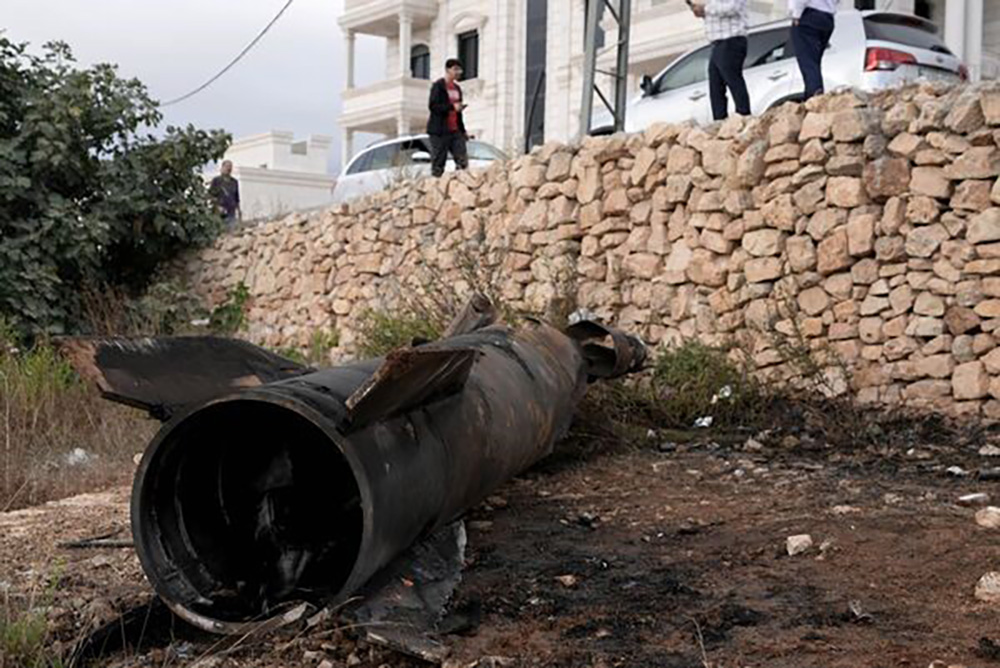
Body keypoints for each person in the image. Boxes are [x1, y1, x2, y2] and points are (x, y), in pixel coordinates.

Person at [689, 0, 751, 122]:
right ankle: (720, 122)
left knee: (733, 81)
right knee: (716, 87)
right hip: (717, 43)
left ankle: (744, 118)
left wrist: (706, 8)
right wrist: (701, 12)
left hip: (731, 40)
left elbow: (733, 7)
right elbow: (718, 14)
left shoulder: (710, 5)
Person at [426, 58, 469, 178]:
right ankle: (435, 187)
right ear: (447, 70)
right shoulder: (438, 86)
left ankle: (461, 184)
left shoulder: (457, 89)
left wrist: (463, 130)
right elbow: (433, 106)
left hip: (455, 130)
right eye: (455, 69)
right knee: (439, 160)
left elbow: (458, 113)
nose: (458, 72)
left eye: (459, 69)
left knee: (462, 159)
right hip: (439, 130)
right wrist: (452, 107)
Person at [790, 0, 838, 100]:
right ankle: (813, 97)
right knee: (814, 64)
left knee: (809, 64)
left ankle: (815, 98)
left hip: (808, 16)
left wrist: (796, 14)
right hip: (827, 17)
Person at [209, 160, 241, 225]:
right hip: (219, 212)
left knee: (231, 231)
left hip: (231, 212)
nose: (228, 168)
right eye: (227, 166)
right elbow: (210, 195)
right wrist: (217, 206)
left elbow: (236, 197)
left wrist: (239, 210)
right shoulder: (216, 180)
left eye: (230, 167)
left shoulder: (234, 182)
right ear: (222, 167)